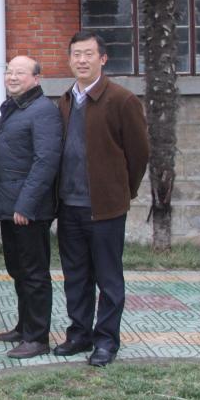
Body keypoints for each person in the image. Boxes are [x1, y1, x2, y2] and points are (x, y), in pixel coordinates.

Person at [55, 31, 149, 367]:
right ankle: (79, 333)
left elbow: (139, 154)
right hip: (69, 205)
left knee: (108, 278)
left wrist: (121, 192)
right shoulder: (65, 101)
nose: (81, 60)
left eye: (88, 54)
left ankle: (106, 340)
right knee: (75, 276)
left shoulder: (122, 100)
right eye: (76, 54)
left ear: (103, 58)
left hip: (105, 209)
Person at [0, 55, 62, 359]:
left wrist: (26, 204)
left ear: (36, 78)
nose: (13, 77)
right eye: (9, 71)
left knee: (34, 273)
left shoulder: (43, 110)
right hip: (10, 205)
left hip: (28, 209)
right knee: (17, 269)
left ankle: (37, 337)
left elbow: (46, 161)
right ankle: (24, 326)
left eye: (20, 72)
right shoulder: (14, 107)